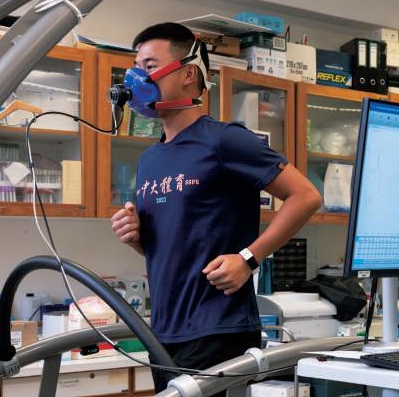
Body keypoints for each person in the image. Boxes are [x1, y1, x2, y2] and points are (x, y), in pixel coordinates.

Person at [108, 22, 322, 393]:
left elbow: (306, 196)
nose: (135, 78)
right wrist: (136, 238)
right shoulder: (149, 159)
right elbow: (174, 244)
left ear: (188, 74)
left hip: (217, 330)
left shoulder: (224, 140)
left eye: (149, 66)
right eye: (135, 67)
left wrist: (248, 259)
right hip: (164, 333)